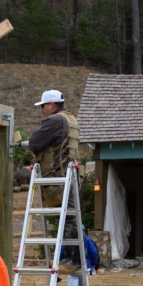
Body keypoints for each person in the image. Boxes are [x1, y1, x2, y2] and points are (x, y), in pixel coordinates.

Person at [27, 89, 82, 268]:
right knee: (69, 217)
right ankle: (73, 259)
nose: (42, 110)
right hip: (71, 176)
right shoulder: (70, 119)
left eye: (43, 106)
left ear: (52, 105)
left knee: (66, 219)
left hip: (59, 177)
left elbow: (35, 142)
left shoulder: (54, 120)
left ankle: (74, 260)